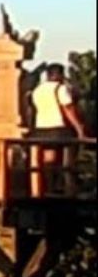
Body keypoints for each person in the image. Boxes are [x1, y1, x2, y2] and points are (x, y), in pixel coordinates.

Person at [31, 63, 90, 196]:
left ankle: (45, 189)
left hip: (41, 128)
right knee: (67, 159)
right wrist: (79, 128)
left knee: (48, 161)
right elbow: (68, 109)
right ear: (60, 74)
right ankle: (68, 188)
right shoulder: (60, 88)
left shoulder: (38, 90)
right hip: (59, 128)